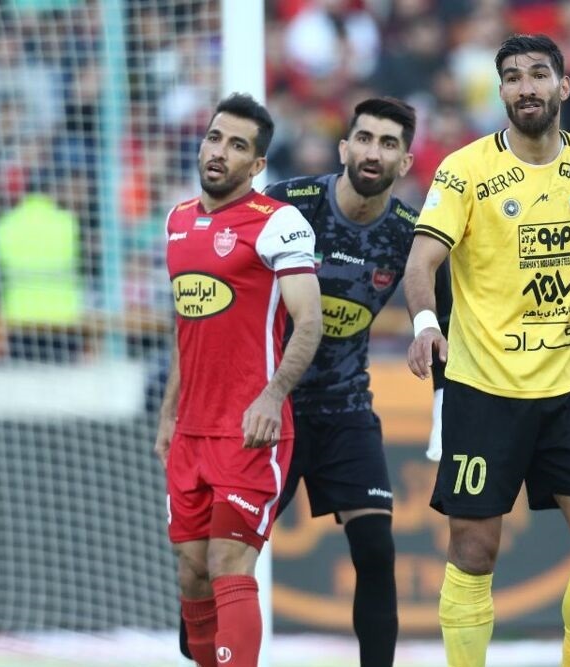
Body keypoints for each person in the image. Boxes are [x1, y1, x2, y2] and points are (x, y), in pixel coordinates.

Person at [404, 33, 570, 667]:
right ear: (501, 91)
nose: (525, 87)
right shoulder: (465, 170)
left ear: (563, 85)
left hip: (568, 386)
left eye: (538, 74)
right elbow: (421, 261)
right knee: (473, 552)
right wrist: (425, 323)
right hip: (483, 388)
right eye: (512, 77)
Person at [261, 96, 432, 667]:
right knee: (232, 549)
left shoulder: (410, 235)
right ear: (343, 148)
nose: (372, 152)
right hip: (272, 406)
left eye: (388, 143)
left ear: (405, 162)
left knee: (377, 549)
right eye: (363, 138)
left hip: (346, 408)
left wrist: (442, 391)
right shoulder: (288, 205)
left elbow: (446, 318)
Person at [156, 92, 322, 667]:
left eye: (236, 145)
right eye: (214, 138)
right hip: (191, 431)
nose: (219, 152)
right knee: (193, 573)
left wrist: (272, 398)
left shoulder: (279, 223)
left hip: (250, 430)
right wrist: (169, 414)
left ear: (257, 164)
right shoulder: (177, 221)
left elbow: (310, 321)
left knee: (229, 563)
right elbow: (188, 324)